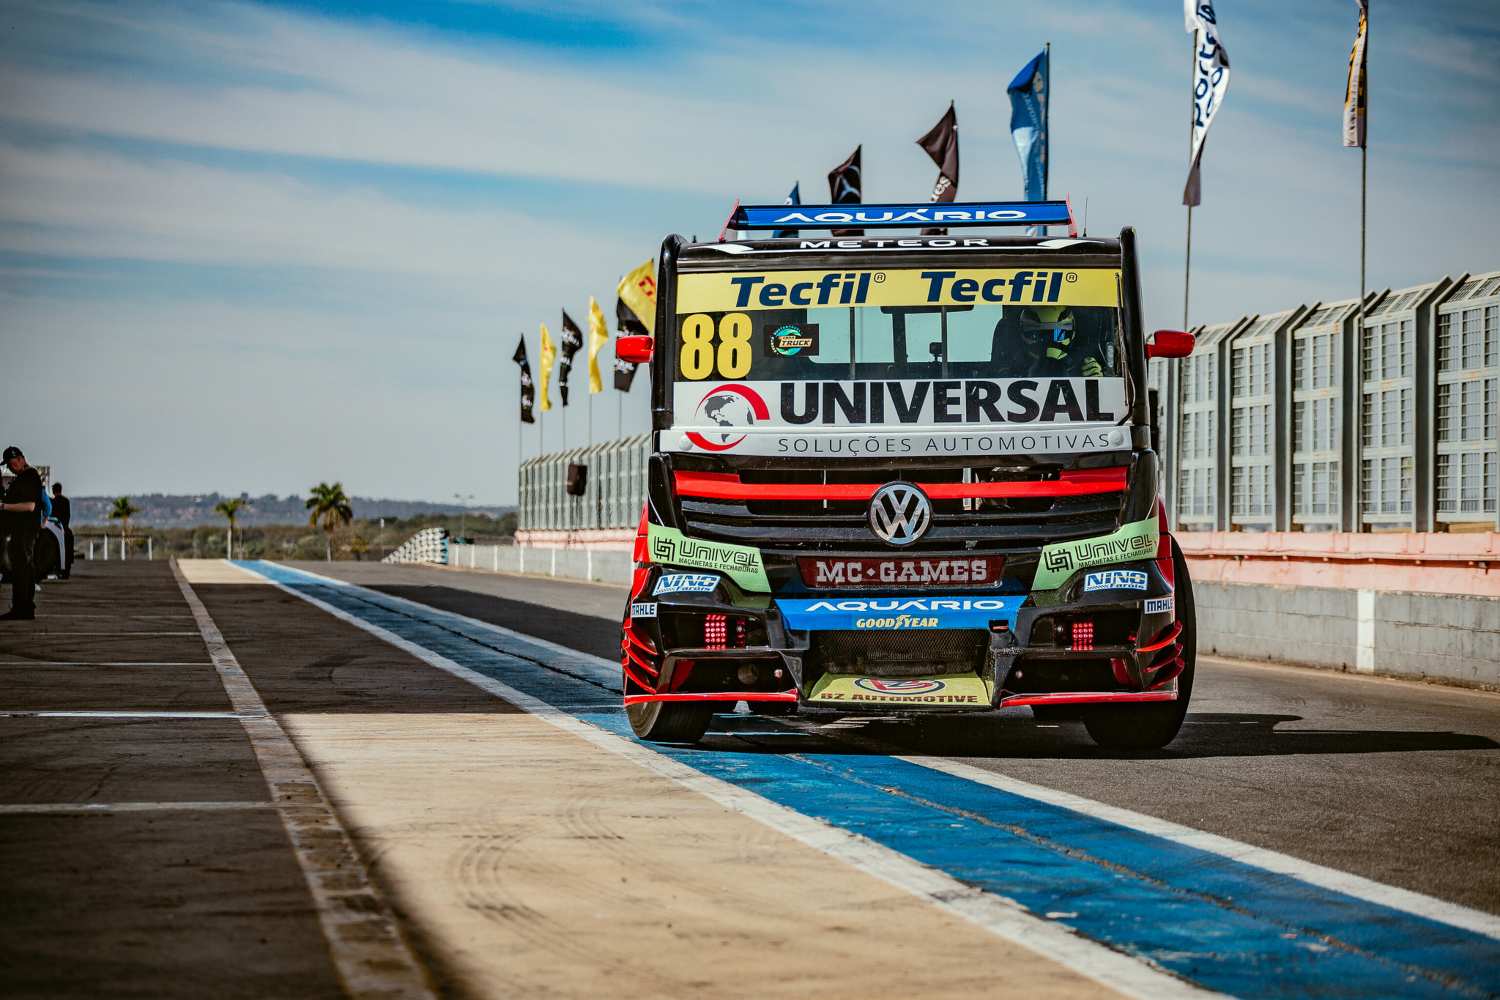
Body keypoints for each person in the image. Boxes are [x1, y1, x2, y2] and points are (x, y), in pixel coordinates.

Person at [1, 445, 43, 620]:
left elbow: (30, 506)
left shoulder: (30, 477)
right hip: (19, 531)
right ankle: (23, 606)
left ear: (20, 459)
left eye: (11, 464)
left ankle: (23, 608)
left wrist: (3, 506)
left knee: (23, 568)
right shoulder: (22, 478)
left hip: (25, 531)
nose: (10, 468)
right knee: (21, 568)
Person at [1017, 305, 1106, 377]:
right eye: (1038, 334)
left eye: (1058, 333)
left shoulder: (1082, 367)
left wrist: (1094, 379)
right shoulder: (1011, 369)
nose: (1049, 342)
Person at [51, 483, 73, 578]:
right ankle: (66, 570)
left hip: (54, 527)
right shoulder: (66, 501)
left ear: (53, 491)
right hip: (64, 527)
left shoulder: (52, 501)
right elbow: (68, 515)